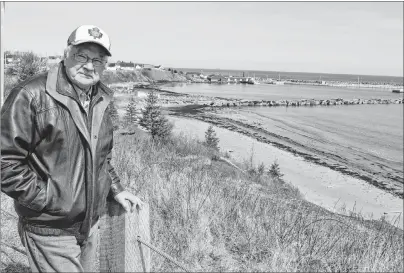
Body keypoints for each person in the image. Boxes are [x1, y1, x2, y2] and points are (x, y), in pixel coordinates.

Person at [1, 25, 143, 272]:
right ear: (66, 54)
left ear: (105, 65)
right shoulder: (32, 95)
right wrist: (48, 200)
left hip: (89, 225)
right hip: (50, 228)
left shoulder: (98, 99)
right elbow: (5, 162)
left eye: (98, 59)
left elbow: (100, 156)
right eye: (82, 56)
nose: (90, 66)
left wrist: (116, 188)